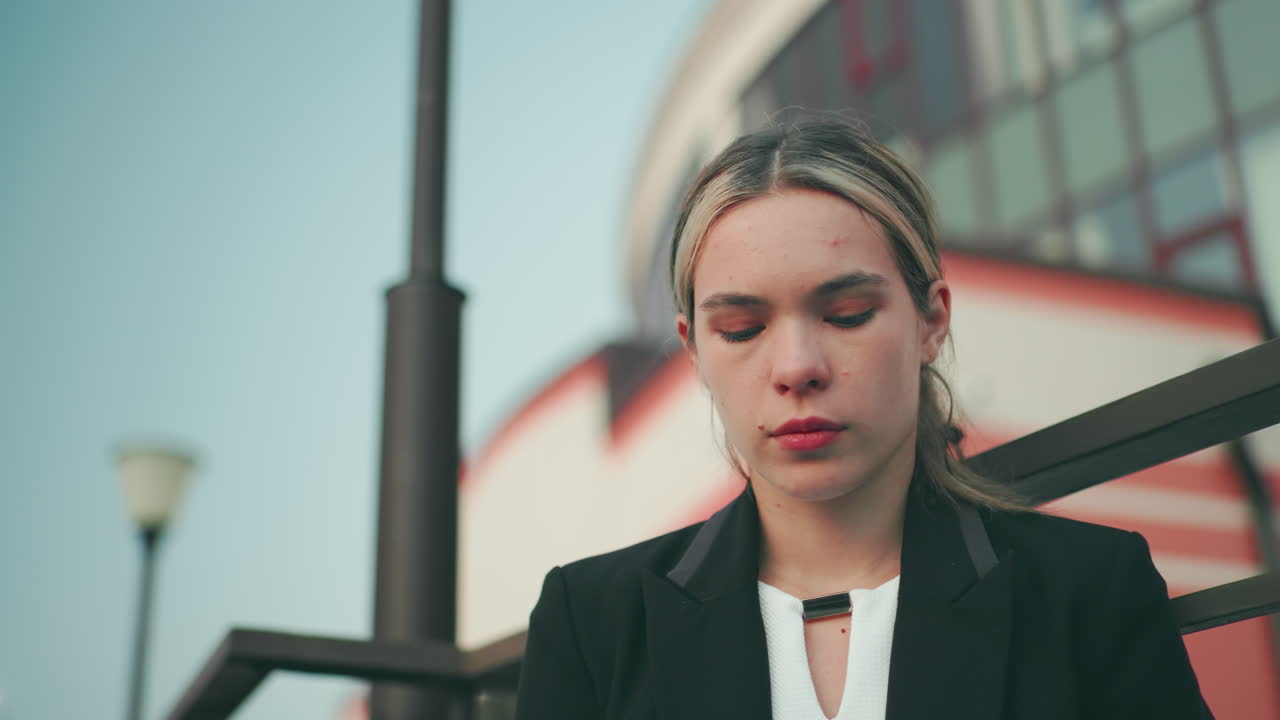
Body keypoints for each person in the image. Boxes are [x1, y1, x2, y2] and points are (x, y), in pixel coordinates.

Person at [514, 117, 1211, 719]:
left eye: (846, 316)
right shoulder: (591, 623)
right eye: (741, 328)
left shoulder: (1089, 590)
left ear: (931, 318)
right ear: (693, 348)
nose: (797, 367)